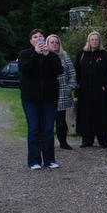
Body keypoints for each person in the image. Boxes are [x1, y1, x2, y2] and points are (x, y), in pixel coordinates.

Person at [17, 29, 64, 170]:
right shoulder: (25, 54)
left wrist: (47, 55)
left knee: (48, 129)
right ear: (31, 41)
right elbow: (25, 69)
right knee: (34, 129)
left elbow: (59, 70)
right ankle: (34, 161)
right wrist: (35, 54)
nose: (38, 39)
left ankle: (49, 160)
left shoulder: (52, 55)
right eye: (35, 37)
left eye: (41, 37)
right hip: (30, 99)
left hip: (49, 99)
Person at [75, 31, 107, 148]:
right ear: (88, 41)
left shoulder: (106, 55)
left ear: (99, 41)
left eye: (96, 40)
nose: (94, 42)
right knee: (86, 115)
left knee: (102, 116)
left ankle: (103, 140)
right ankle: (87, 139)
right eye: (92, 40)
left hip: (101, 92)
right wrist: (78, 84)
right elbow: (76, 70)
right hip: (85, 92)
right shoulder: (81, 54)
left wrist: (105, 85)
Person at [46, 34, 77, 150]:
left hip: (62, 93)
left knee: (60, 122)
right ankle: (47, 144)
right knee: (47, 121)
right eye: (52, 42)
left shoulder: (65, 57)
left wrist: (70, 87)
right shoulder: (43, 56)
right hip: (46, 93)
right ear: (47, 44)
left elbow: (73, 74)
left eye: (56, 42)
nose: (54, 44)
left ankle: (63, 143)